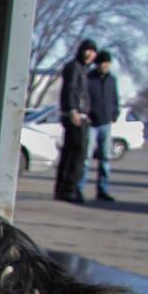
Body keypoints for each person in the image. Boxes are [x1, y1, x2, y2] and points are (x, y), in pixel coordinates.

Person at [54, 38, 97, 204]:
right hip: (75, 116)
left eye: (93, 52)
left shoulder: (83, 70)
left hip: (82, 116)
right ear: (81, 51)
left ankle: (65, 188)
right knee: (76, 154)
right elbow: (70, 90)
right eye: (88, 50)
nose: (90, 54)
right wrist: (72, 110)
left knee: (72, 153)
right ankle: (68, 189)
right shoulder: (74, 67)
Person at [82, 49, 119, 201]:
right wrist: (87, 113)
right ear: (97, 63)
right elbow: (84, 97)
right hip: (91, 123)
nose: (105, 65)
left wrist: (114, 113)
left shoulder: (112, 79)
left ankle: (102, 190)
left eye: (108, 63)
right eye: (103, 62)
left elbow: (115, 98)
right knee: (86, 158)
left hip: (106, 123)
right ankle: (79, 189)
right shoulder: (89, 78)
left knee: (105, 158)